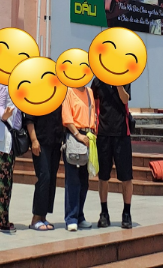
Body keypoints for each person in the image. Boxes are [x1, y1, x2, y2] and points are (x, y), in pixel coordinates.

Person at [92, 78, 133, 228]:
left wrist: (119, 85)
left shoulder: (124, 77)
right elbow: (92, 103)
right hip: (103, 133)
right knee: (103, 176)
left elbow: (125, 99)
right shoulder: (97, 81)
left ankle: (126, 213)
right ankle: (104, 212)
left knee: (126, 176)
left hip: (122, 133)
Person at [61, 82, 96, 232]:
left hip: (88, 137)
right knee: (73, 179)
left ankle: (80, 215)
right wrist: (78, 135)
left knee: (84, 181)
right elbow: (67, 117)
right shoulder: (68, 91)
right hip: (75, 136)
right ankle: (71, 217)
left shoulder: (89, 92)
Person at [0, 80, 21, 233]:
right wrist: (4, 115)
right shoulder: (0, 81)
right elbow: (0, 106)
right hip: (2, 141)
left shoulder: (14, 80)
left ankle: (2, 218)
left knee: (6, 182)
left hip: (9, 139)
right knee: (1, 182)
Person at [25, 104, 64, 231]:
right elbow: (29, 119)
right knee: (44, 177)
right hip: (41, 141)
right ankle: (36, 217)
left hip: (55, 141)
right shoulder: (37, 95)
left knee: (51, 179)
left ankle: (43, 216)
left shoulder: (58, 95)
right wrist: (34, 140)